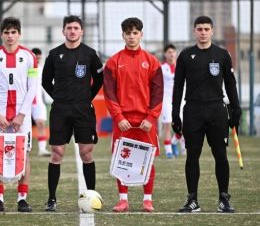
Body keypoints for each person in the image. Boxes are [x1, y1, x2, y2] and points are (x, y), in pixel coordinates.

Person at [172, 16, 241, 213]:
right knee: (192, 156)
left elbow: (230, 83)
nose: (203, 32)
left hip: (216, 110)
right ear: (194, 31)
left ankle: (224, 199)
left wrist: (236, 109)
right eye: (199, 29)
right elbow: (178, 87)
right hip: (193, 110)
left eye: (206, 29)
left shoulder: (222, 54)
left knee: (220, 154)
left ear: (212, 31)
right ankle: (192, 200)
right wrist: (175, 113)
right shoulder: (185, 55)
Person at [42, 15, 103, 211]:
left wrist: (86, 98)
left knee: (86, 153)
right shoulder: (54, 54)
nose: (72, 31)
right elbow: (45, 81)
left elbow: (99, 80)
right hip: (60, 109)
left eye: (76, 28)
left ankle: (92, 196)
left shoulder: (90, 54)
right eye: (69, 28)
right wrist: (59, 98)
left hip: (83, 109)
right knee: (57, 153)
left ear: (81, 31)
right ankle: (51, 199)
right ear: (63, 31)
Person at [103, 17, 163, 212]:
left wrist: (151, 117)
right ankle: (123, 200)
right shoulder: (113, 62)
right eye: (128, 33)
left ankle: (148, 200)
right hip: (123, 122)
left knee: (148, 159)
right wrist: (118, 117)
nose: (131, 36)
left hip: (146, 120)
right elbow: (109, 93)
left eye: (135, 33)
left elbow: (158, 92)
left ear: (141, 35)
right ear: (123, 35)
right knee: (122, 159)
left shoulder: (152, 62)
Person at [0, 17, 38, 212]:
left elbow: (33, 87)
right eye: (6, 32)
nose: (10, 36)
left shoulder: (30, 56)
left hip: (21, 117)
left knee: (24, 154)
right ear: (1, 34)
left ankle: (22, 199)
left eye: (13, 32)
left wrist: (22, 114)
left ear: (19, 34)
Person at [160, 44, 186, 158]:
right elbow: (171, 77)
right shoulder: (162, 68)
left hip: (180, 100)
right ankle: (168, 150)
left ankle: (175, 142)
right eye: (169, 52)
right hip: (166, 99)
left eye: (173, 52)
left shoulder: (181, 66)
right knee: (167, 125)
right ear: (165, 54)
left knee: (183, 126)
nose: (171, 54)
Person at [31, 47, 51, 157]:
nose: (37, 60)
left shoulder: (42, 69)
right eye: (36, 58)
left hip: (38, 102)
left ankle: (42, 149)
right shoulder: (26, 68)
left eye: (39, 58)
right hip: (25, 102)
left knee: (41, 124)